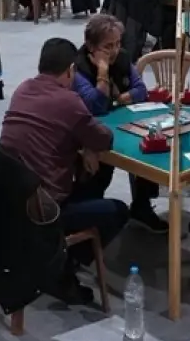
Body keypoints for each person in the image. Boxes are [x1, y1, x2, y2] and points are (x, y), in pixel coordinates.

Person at [0, 38, 128, 303]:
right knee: (118, 210)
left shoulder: (22, 89)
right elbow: (104, 139)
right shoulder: (68, 101)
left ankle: (60, 256)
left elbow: (52, 131)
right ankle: (62, 267)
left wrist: (83, 146)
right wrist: (87, 145)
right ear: (70, 71)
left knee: (94, 175)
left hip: (10, 199)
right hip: (46, 210)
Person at [71, 15, 168, 233]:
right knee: (99, 170)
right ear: (91, 47)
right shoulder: (78, 68)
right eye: (107, 46)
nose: (115, 51)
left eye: (117, 44)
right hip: (88, 131)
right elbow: (96, 105)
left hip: (123, 121)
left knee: (145, 147)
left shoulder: (123, 58)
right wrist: (103, 72)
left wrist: (124, 97)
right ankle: (88, 217)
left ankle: (142, 206)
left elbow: (141, 90)